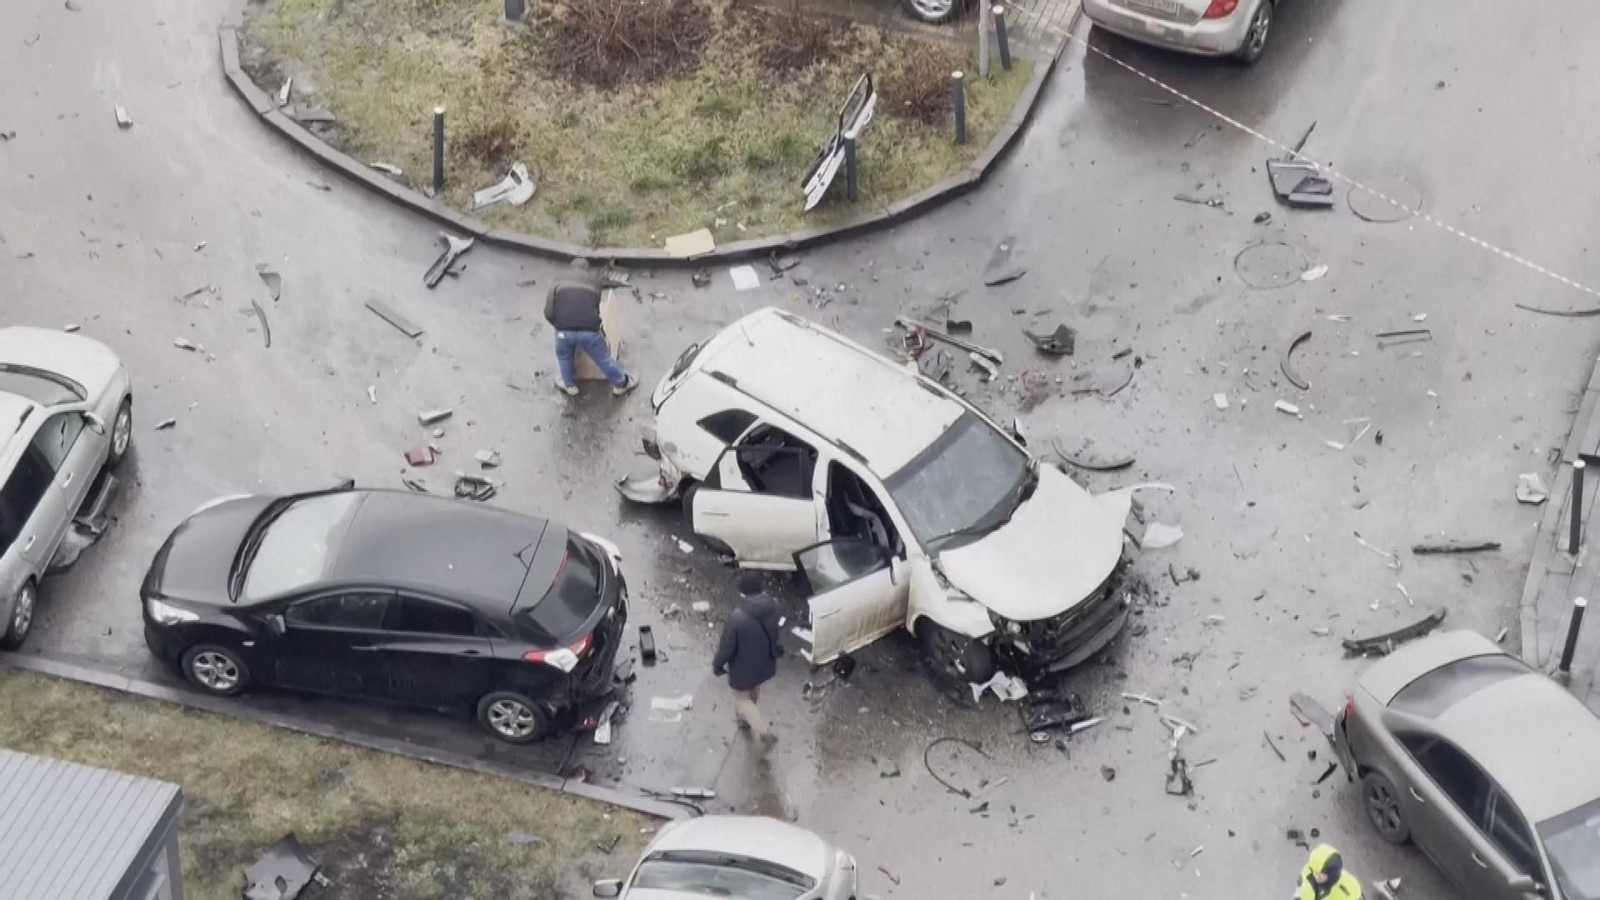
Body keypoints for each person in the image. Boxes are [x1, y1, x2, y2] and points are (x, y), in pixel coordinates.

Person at [542, 258, 638, 397]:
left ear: (571, 267)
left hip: (564, 333)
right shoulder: (594, 281)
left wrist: (560, 326)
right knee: (603, 359)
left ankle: (570, 386)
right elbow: (594, 306)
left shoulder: (558, 279)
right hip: (589, 332)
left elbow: (548, 312)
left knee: (564, 356)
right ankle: (621, 384)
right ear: (587, 269)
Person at [712, 571, 783, 746]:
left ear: (743, 593)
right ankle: (745, 719)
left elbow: (727, 647)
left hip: (743, 667)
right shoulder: (773, 607)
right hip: (765, 662)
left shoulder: (737, 618)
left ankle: (763, 730)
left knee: (741, 699)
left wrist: (717, 665)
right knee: (753, 689)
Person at [1295, 844, 1362, 900]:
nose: (1316, 876)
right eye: (1314, 871)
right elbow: (1299, 894)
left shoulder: (1350, 887)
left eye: (1320, 874)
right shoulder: (1306, 878)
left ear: (1331, 873)